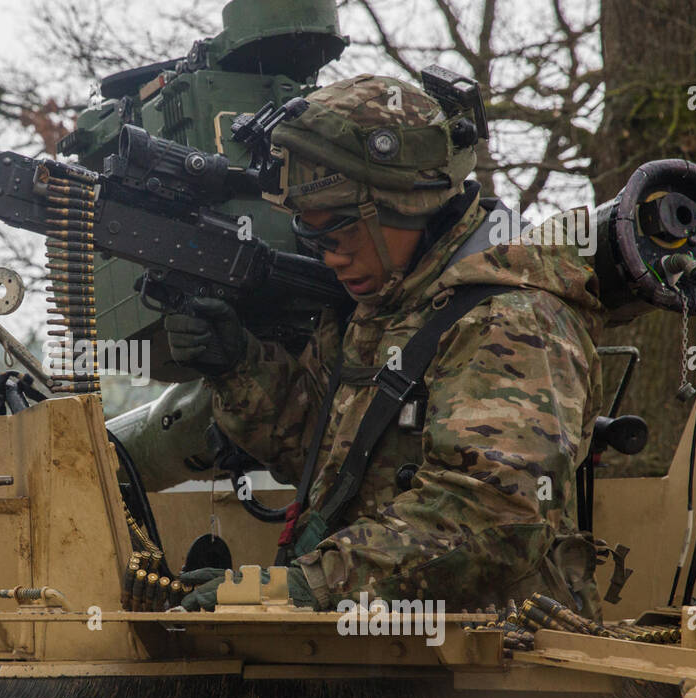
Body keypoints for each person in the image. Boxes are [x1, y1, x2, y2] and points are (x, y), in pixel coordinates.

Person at [166, 73, 608, 616]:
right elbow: (323, 457)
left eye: (340, 230)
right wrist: (237, 367)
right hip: (387, 655)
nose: (329, 255)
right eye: (312, 236)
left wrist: (309, 588)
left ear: (404, 202)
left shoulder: (510, 320)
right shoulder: (383, 311)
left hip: (492, 669)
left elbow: (495, 517)